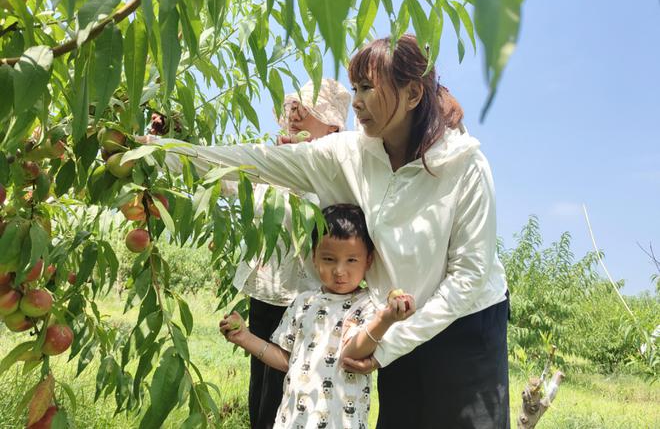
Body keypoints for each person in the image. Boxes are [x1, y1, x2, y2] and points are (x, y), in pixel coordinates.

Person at [149, 33, 510, 428]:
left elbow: (469, 276)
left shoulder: (463, 164)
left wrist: (388, 344)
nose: (356, 101)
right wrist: (153, 150)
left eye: (368, 88)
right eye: (355, 88)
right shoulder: (350, 154)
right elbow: (258, 162)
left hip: (464, 327)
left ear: (412, 94)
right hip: (392, 324)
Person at [224, 78, 352, 429]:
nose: (293, 117)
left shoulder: (338, 174)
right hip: (267, 295)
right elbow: (228, 179)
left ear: (333, 126)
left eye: (306, 110)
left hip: (311, 304)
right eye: (291, 109)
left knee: (297, 398)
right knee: (262, 395)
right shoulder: (276, 161)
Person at [219, 204, 415, 429]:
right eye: (329, 259)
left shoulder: (369, 306)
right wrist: (244, 337)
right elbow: (286, 359)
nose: (339, 271)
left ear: (368, 261)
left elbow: (351, 354)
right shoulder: (303, 303)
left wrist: (386, 318)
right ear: (314, 257)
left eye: (351, 260)